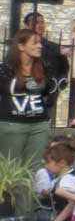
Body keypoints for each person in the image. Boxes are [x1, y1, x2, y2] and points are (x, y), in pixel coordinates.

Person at [0, 29, 60, 168]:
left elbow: (49, 92)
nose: (40, 46)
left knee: (33, 168)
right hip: (12, 125)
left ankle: (28, 191)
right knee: (9, 168)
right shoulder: (5, 69)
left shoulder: (44, 67)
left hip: (39, 125)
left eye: (40, 43)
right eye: (34, 43)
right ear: (21, 46)